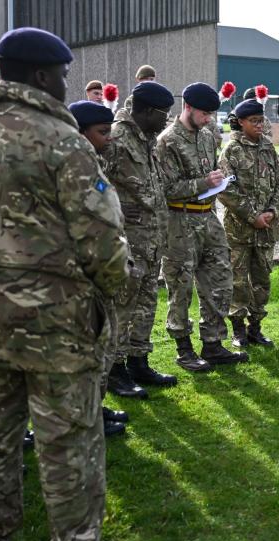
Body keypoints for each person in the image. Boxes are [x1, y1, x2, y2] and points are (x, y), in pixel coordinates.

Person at [0, 27, 138, 541]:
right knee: (67, 441)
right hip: (54, 318)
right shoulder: (63, 138)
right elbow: (101, 234)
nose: (67, 84)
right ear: (43, 76)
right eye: (64, 74)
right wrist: (112, 289)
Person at [156, 82, 248, 367]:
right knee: (180, 286)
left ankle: (212, 343)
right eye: (204, 113)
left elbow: (209, 172)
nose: (209, 119)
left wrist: (218, 179)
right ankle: (184, 348)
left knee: (220, 280)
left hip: (208, 216)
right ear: (188, 107)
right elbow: (167, 188)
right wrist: (203, 183)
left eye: (211, 114)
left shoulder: (208, 136)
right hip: (179, 221)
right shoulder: (167, 141)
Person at [103, 81, 178, 396]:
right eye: (164, 114)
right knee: (123, 302)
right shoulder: (117, 138)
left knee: (146, 300)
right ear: (147, 111)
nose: (167, 121)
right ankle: (115, 369)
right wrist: (117, 215)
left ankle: (138, 360)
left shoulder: (146, 139)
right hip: (128, 240)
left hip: (151, 237)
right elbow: (98, 184)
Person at [68, 100, 131, 437]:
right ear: (81, 132)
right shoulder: (76, 167)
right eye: (102, 132)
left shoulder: (94, 160)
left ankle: (96, 407)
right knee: (89, 351)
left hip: (101, 273)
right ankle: (86, 416)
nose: (109, 138)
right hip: (86, 275)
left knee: (103, 347)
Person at [218, 99, 279, 346]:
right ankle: (238, 330)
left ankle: (255, 327)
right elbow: (226, 190)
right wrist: (252, 216)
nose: (260, 125)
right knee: (237, 280)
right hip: (239, 230)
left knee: (262, 280)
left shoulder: (269, 147)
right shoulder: (231, 150)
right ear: (241, 123)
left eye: (262, 120)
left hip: (266, 229)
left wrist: (272, 211)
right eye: (254, 121)